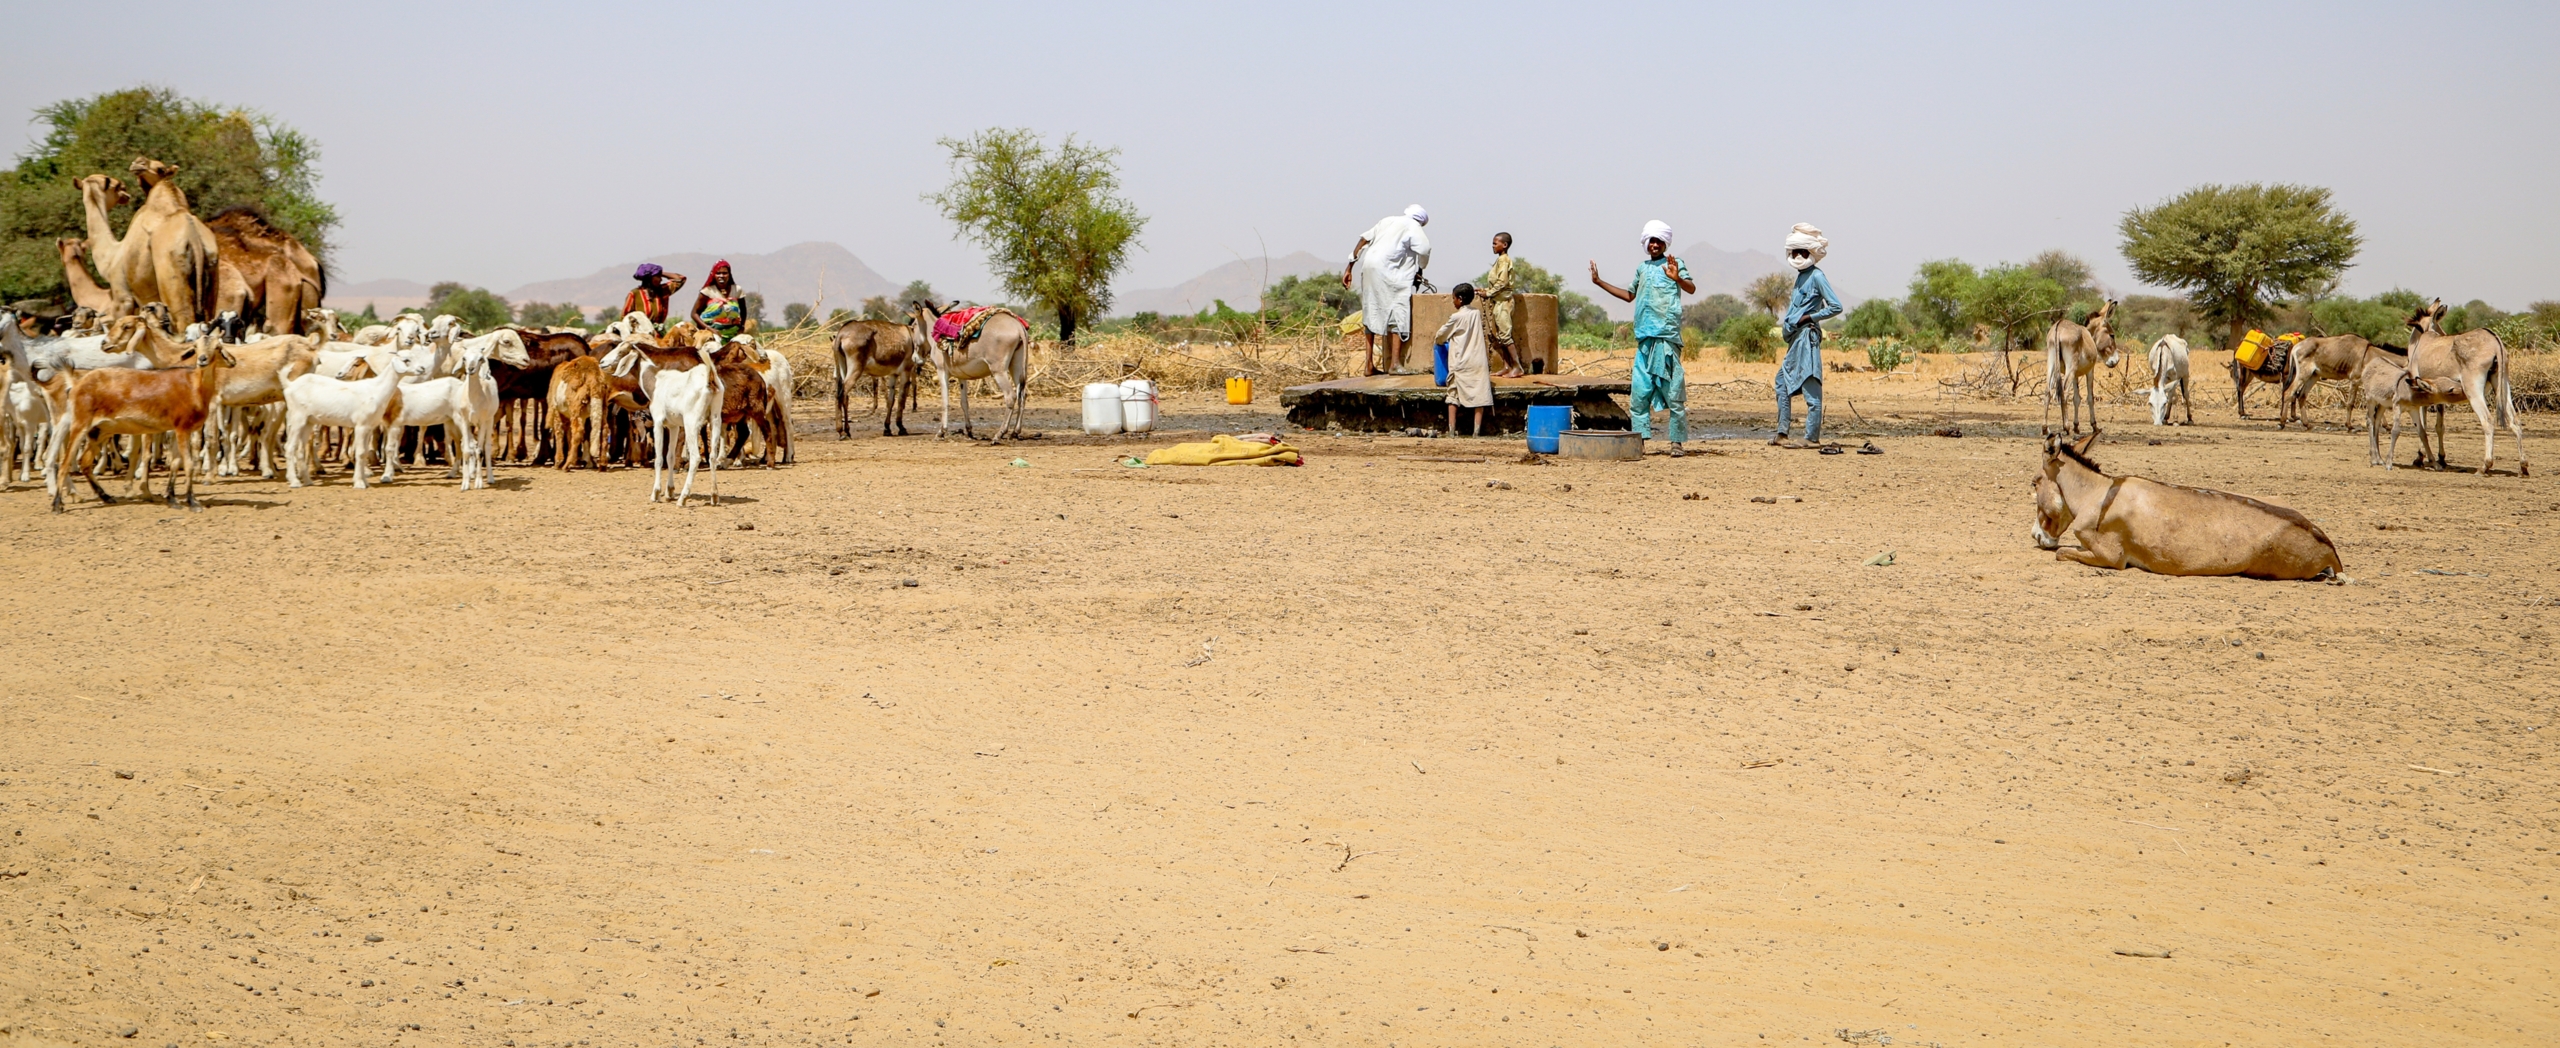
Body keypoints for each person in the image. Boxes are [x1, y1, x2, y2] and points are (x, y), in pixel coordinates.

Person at [1589, 220, 1696, 456]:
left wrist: (1677, 277)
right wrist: (1599, 282)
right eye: (1651, 241)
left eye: (1658, 241)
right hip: (1645, 340)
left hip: (1666, 339)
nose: (1655, 245)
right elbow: (1629, 295)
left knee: (1674, 392)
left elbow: (1691, 288)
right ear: (1647, 243)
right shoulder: (1642, 268)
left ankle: (1676, 442)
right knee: (1639, 393)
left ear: (1664, 243)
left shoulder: (1674, 265)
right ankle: (1640, 440)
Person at [1773, 223, 1843, 448]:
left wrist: (1809, 318)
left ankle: (1812, 438)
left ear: (1810, 253)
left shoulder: (1817, 276)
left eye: (1801, 252)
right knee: (1781, 383)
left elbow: (1836, 306)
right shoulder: (1801, 277)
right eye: (1794, 252)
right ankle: (1782, 434)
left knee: (1810, 385)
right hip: (1795, 341)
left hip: (1807, 338)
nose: (1797, 256)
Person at [1342, 204, 1432, 375]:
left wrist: (1349, 268)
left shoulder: (1387, 220)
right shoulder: (1414, 226)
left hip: (1368, 267)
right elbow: (1425, 249)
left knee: (1371, 311)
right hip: (1389, 271)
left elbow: (1363, 240)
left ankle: (1368, 365)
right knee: (1397, 310)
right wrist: (1421, 267)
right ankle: (1395, 364)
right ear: (1421, 222)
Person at [1435, 282, 1493, 436]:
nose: (1453, 301)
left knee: (1453, 395)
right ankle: (1476, 432)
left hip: (1461, 363)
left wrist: (1439, 342)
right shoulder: (1476, 313)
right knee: (1479, 396)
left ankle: (1452, 431)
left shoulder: (1456, 317)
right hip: (1478, 361)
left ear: (1459, 299)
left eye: (1453, 298)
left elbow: (1440, 335)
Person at [1481, 233, 1524, 377]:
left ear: (1504, 245)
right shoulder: (1500, 260)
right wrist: (1486, 291)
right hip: (1498, 302)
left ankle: (1517, 367)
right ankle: (1507, 366)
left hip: (1503, 303)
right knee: (1500, 336)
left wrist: (1488, 293)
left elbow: (1502, 282)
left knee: (1505, 336)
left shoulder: (1504, 261)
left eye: (1495, 243)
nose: (1493, 246)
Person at [690, 259, 747, 339]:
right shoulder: (707, 291)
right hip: (711, 333)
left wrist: (742, 326)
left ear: (729, 274)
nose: (721, 276)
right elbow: (694, 314)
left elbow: (743, 310)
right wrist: (710, 329)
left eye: (725, 273)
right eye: (718, 273)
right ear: (713, 275)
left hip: (733, 332)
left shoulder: (737, 290)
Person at [622, 263, 688, 325]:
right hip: (640, 335)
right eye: (658, 277)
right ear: (650, 278)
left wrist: (660, 273)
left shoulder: (662, 291)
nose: (661, 279)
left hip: (658, 335)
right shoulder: (634, 294)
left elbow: (680, 279)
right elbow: (624, 317)